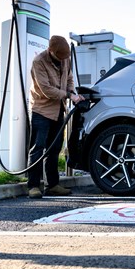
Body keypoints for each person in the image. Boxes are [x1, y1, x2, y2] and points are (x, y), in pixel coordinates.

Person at [27, 35, 83, 199]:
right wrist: (68, 95)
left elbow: (70, 78)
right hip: (42, 110)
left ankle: (53, 185)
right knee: (38, 149)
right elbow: (46, 89)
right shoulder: (39, 62)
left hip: (59, 109)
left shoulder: (65, 58)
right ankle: (34, 186)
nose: (63, 60)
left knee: (54, 148)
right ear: (50, 51)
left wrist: (72, 92)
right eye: (59, 56)